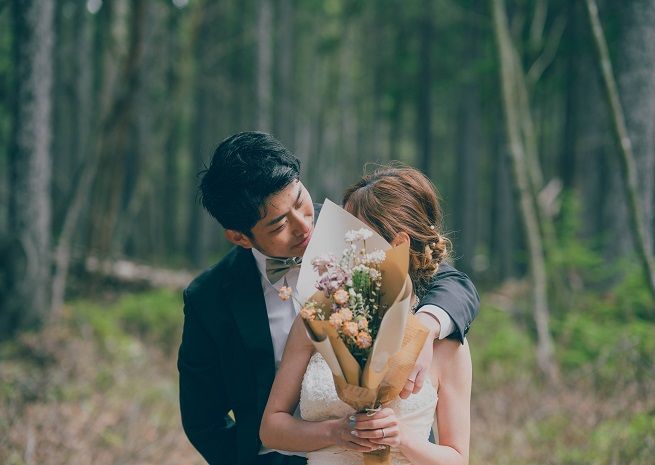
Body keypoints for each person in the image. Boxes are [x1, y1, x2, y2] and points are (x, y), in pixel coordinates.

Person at [177, 132, 479, 465]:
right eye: (278, 225)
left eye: (299, 201)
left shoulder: (355, 227)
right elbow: (202, 419)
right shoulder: (208, 299)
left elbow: (450, 281)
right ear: (239, 237)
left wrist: (425, 328)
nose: (303, 225)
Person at [259, 166, 472, 465]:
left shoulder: (444, 337)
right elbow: (271, 429)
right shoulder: (318, 317)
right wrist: (338, 432)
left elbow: (457, 458)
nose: (343, 246)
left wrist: (402, 438)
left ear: (398, 244)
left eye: (355, 236)